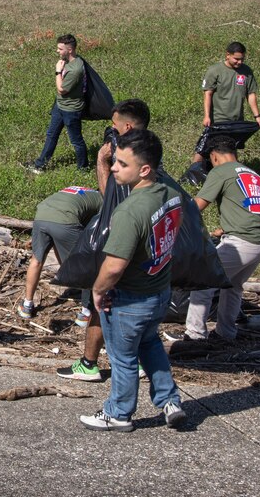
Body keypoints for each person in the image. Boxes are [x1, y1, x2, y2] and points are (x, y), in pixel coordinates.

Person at [80, 129, 186, 432]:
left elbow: (113, 267)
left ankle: (119, 413)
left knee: (123, 358)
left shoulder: (130, 211)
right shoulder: (170, 195)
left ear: (144, 169)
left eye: (121, 164)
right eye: (115, 161)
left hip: (130, 299)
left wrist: (98, 291)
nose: (113, 168)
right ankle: (169, 401)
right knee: (150, 344)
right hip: (159, 292)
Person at [59, 99, 151, 382]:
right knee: (133, 305)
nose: (111, 130)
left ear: (126, 127)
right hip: (147, 246)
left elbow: (109, 197)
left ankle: (93, 365)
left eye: (113, 126)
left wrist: (102, 161)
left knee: (105, 300)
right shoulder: (151, 153)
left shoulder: (131, 159)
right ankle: (132, 361)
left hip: (124, 242)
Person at [184, 136, 260, 342]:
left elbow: (197, 206)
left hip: (242, 241)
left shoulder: (220, 172)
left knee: (203, 281)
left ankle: (195, 335)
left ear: (214, 156)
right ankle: (226, 333)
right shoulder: (253, 174)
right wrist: (224, 228)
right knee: (233, 286)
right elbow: (250, 210)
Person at [17, 186, 101, 324]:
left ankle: (27, 305)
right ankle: (86, 313)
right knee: (87, 264)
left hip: (41, 216)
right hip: (65, 220)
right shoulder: (103, 200)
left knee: (36, 260)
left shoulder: (78, 191)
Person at [195, 41, 260, 164]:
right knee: (205, 147)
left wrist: (257, 116)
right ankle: (193, 170)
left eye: (242, 59)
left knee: (231, 147)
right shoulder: (215, 70)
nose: (239, 62)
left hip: (236, 119)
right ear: (228, 55)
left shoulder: (246, 71)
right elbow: (207, 94)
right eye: (236, 59)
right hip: (218, 118)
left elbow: (251, 94)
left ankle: (232, 171)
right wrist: (206, 116)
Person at [30, 34, 87, 172]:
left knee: (76, 141)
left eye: (60, 49)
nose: (57, 51)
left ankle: (83, 168)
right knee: (51, 135)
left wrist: (57, 72)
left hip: (71, 110)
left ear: (70, 50)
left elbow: (62, 90)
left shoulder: (75, 69)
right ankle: (40, 165)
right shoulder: (67, 61)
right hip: (60, 106)